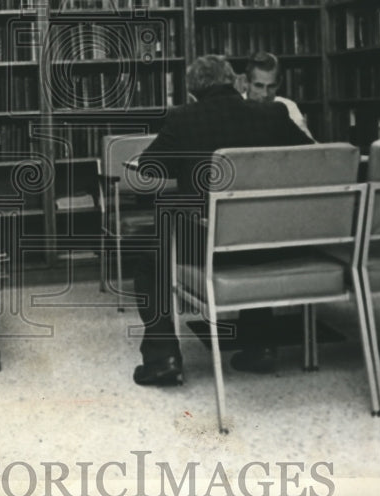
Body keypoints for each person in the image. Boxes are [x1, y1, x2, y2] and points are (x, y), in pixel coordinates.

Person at [130, 55, 312, 387]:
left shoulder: (184, 118)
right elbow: (312, 157)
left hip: (206, 243)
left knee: (149, 263)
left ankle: (163, 359)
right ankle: (260, 347)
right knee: (251, 228)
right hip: (264, 242)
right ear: (234, 81)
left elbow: (149, 168)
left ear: (193, 91)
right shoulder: (273, 113)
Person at [242, 51, 316, 141]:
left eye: (271, 86)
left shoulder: (288, 107)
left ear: (279, 83)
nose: (265, 94)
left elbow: (310, 148)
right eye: (259, 86)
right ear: (246, 82)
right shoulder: (235, 106)